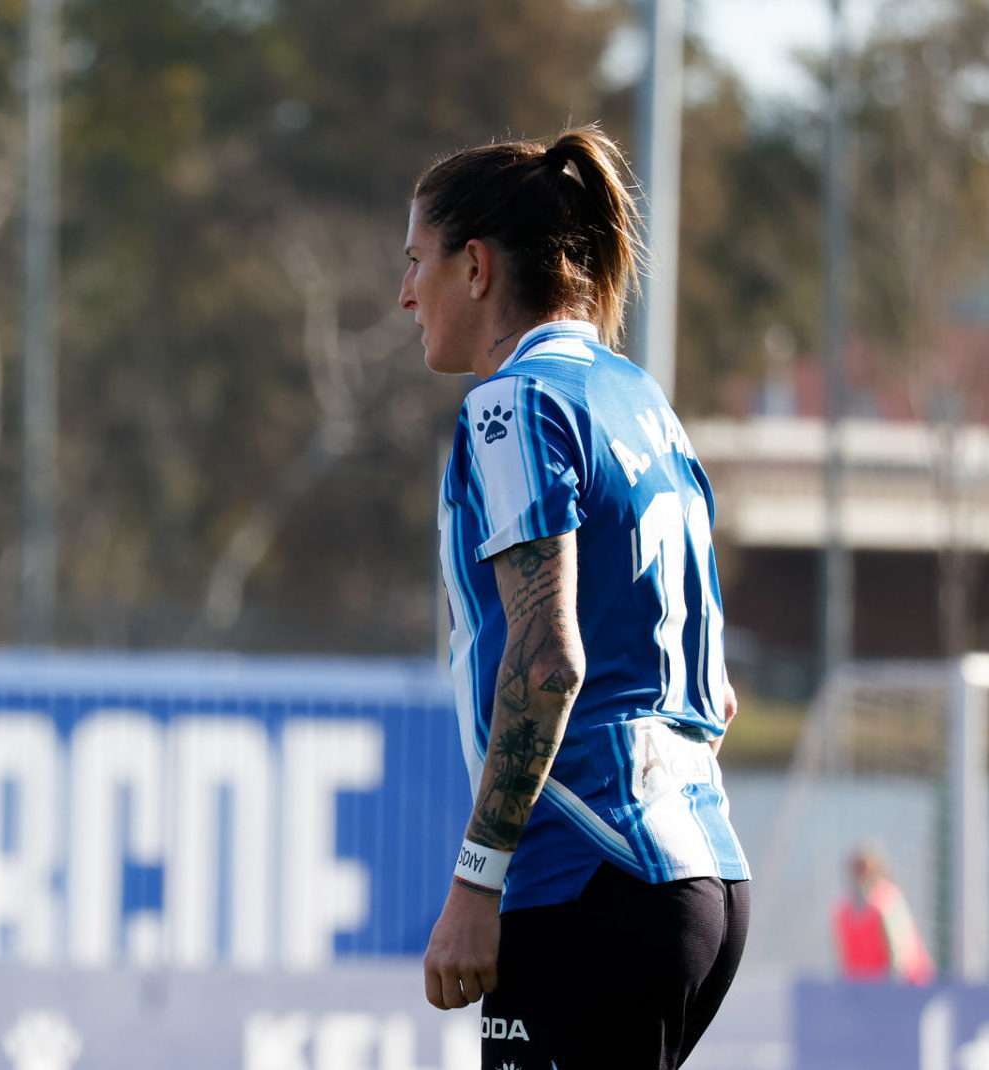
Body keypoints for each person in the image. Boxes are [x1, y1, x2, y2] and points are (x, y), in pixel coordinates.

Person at [402, 127, 751, 1068]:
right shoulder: (641, 403)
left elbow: (547, 658)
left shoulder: (512, 403)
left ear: (474, 268)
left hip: (589, 877)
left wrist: (477, 883)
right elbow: (715, 692)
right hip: (703, 872)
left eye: (416, 261)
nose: (405, 294)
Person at [834, 843, 934, 984]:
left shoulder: (888, 901)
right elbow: (844, 958)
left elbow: (901, 953)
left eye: (864, 870)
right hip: (864, 987)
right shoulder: (843, 911)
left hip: (906, 987)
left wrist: (893, 985)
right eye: (857, 870)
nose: (860, 876)